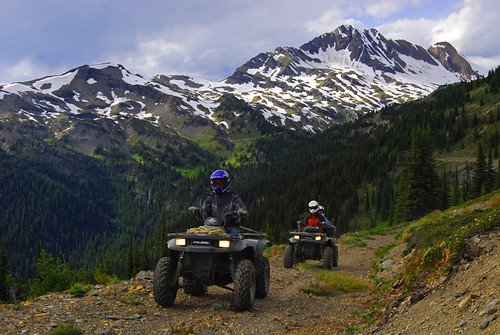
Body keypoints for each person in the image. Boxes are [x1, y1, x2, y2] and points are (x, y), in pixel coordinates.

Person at [200, 169, 248, 237]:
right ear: (212, 184)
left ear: (226, 183)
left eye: (220, 183)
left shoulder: (233, 198)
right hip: (210, 226)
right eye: (216, 183)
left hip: (229, 227)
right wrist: (197, 211)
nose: (218, 186)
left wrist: (238, 213)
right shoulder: (210, 198)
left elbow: (244, 211)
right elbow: (204, 212)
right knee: (198, 235)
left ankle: (234, 247)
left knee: (234, 235)